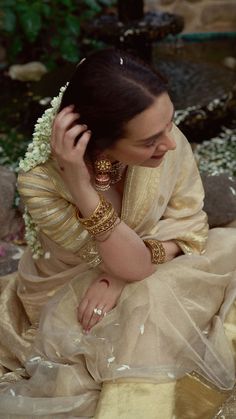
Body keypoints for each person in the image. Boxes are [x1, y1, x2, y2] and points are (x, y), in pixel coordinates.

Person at [0, 48, 235, 418]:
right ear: (98, 142)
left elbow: (188, 224)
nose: (170, 144)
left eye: (169, 123)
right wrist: (82, 187)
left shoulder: (163, 136)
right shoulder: (41, 182)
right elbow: (128, 263)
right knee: (141, 307)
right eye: (148, 141)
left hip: (128, 265)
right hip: (70, 284)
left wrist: (122, 276)